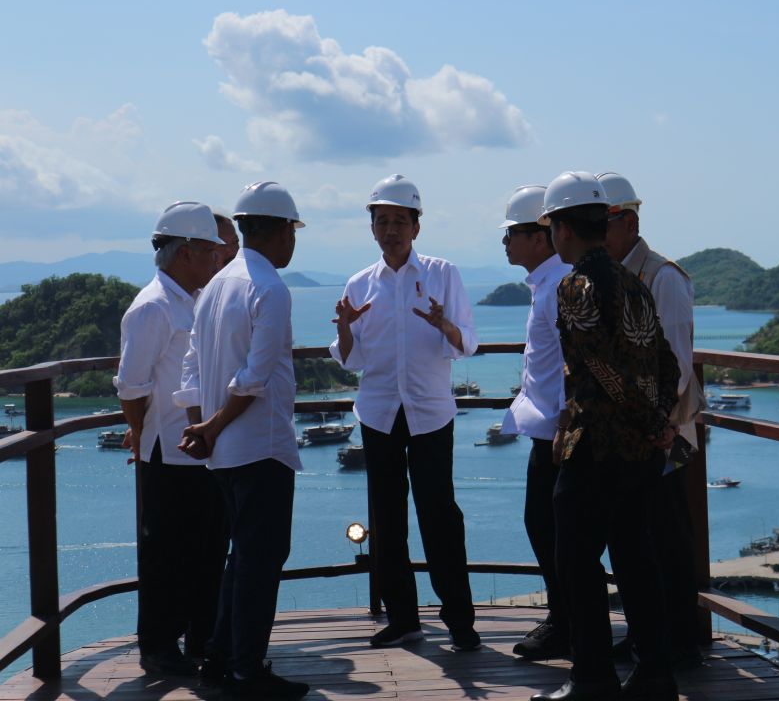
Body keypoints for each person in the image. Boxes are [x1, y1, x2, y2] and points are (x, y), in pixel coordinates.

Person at [532, 171, 680, 701]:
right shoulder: (634, 281)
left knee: (574, 561)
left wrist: (645, 418)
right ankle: (656, 673)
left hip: (597, 448)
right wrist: (661, 420)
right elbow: (665, 361)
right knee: (636, 561)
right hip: (640, 454)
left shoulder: (576, 285)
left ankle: (592, 677)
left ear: (562, 230)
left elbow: (602, 369)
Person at [330, 174, 481, 651]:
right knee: (388, 519)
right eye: (382, 221)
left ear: (417, 226)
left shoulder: (443, 274)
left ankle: (460, 620)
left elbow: (468, 344)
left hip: (430, 411)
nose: (391, 229)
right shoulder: (359, 284)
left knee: (440, 516)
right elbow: (349, 358)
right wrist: (347, 328)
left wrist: (445, 324)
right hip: (378, 413)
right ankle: (403, 617)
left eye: (399, 220)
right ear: (372, 229)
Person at [174, 180, 309, 699]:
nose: (293, 241)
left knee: (241, 557)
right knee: (261, 561)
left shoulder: (215, 285)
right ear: (277, 232)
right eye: (291, 231)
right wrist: (212, 427)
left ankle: (219, 656)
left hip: (224, 452)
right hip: (260, 444)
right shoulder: (269, 288)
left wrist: (202, 425)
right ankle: (246, 670)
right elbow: (256, 376)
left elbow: (192, 366)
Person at [114, 201, 228, 676]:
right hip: (166, 453)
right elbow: (131, 385)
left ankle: (202, 639)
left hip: (199, 450)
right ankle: (159, 647)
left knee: (204, 550)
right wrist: (140, 434)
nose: (217, 260)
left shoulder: (193, 299)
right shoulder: (152, 308)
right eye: (209, 251)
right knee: (165, 554)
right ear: (185, 253)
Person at [598, 172, 706, 668]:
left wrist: (652, 425)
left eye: (605, 223)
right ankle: (645, 634)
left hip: (661, 436)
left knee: (665, 539)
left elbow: (678, 366)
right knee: (634, 539)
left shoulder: (663, 278)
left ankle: (681, 641)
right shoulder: (613, 276)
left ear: (630, 223)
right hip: (631, 434)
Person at [496, 185, 573, 661]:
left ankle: (566, 624)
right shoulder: (547, 284)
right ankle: (565, 619)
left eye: (512, 233)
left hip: (558, 433)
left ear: (541, 237)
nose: (505, 242)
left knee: (552, 529)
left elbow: (572, 362)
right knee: (548, 527)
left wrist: (565, 424)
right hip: (549, 429)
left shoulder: (558, 287)